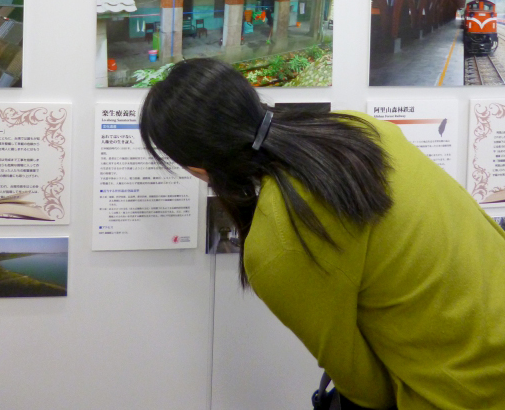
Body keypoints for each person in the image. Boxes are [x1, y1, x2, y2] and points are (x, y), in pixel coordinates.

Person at [140, 58, 505, 410]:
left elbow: (368, 390)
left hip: (468, 393)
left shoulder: (277, 243)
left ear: (197, 168)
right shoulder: (361, 129)